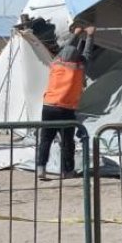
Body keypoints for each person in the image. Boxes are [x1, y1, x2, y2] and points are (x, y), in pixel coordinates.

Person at [36, 26, 95, 180]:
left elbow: (67, 48)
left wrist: (75, 34)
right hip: (66, 109)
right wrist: (90, 35)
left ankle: (41, 168)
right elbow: (87, 53)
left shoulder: (56, 64)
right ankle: (67, 171)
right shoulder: (79, 68)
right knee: (67, 142)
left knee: (46, 139)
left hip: (48, 106)